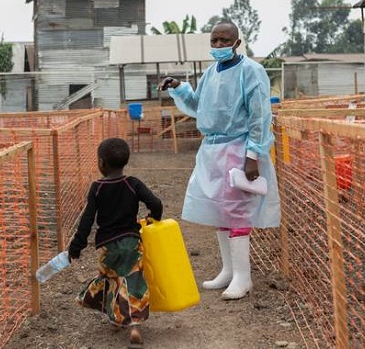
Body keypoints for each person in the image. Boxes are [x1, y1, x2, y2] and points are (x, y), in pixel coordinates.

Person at [157, 21, 281, 300]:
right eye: (215, 41)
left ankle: (243, 277)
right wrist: (179, 88)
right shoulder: (211, 72)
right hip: (212, 151)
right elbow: (199, 106)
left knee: (238, 211)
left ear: (237, 43)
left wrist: (253, 156)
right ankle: (228, 270)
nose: (219, 46)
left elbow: (260, 116)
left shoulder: (251, 71)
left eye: (225, 41)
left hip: (239, 149)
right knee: (219, 211)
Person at [68, 137, 163, 348]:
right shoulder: (133, 183)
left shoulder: (97, 188)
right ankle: (134, 326)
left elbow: (87, 219)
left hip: (107, 246)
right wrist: (153, 218)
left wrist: (77, 245)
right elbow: (155, 203)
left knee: (111, 280)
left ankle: (117, 320)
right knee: (132, 281)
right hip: (131, 242)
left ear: (101, 163)